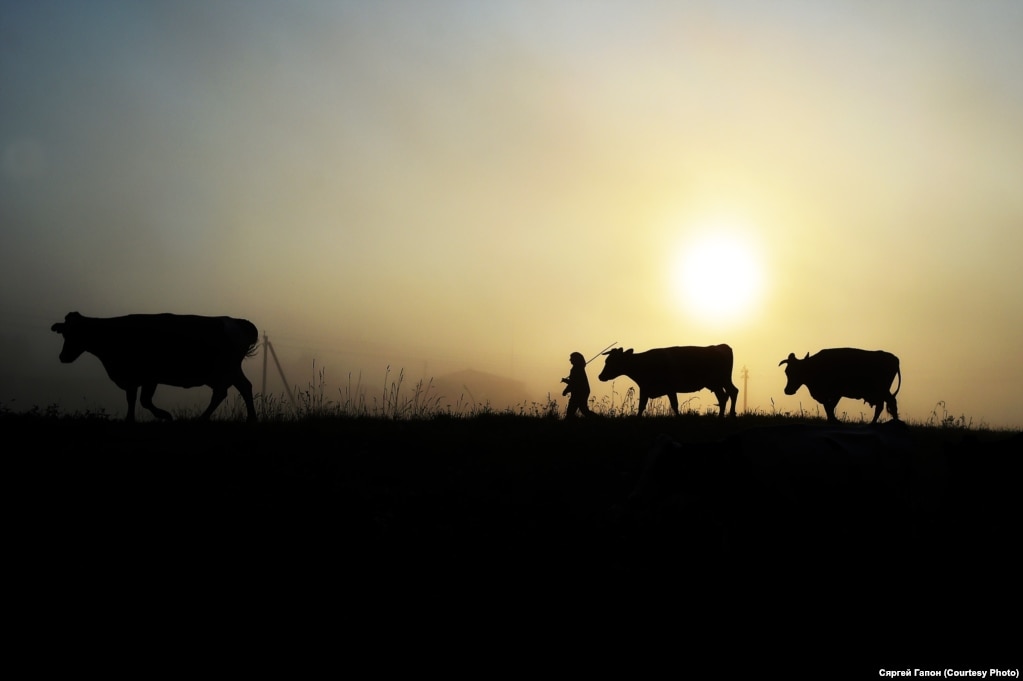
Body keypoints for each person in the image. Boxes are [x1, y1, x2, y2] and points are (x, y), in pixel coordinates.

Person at [561, 351, 596, 418]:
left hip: (579, 392)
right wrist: (567, 382)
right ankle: (599, 420)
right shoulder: (579, 368)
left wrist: (565, 390)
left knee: (571, 412)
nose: (570, 360)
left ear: (576, 359)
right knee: (584, 410)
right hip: (583, 391)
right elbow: (575, 382)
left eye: (571, 358)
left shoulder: (575, 369)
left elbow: (574, 383)